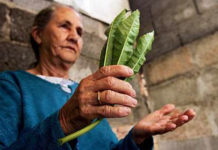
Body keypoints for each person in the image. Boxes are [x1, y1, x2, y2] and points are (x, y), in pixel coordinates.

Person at [0, 4, 196, 150]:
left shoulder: (89, 94)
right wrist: (64, 121)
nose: (74, 36)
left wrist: (136, 139)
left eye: (79, 31)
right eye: (64, 26)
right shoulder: (11, 85)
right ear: (38, 34)